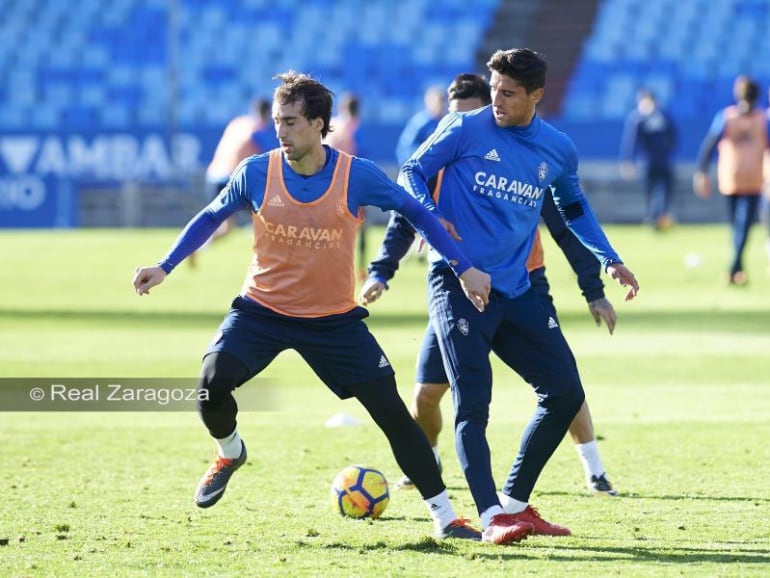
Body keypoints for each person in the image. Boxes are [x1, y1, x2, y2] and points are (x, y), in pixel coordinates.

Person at [132, 71, 536, 546]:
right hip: (262, 310)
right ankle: (230, 451)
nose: (280, 131)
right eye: (279, 121)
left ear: (319, 124)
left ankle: (445, 517)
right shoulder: (257, 172)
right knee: (209, 386)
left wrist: (463, 266)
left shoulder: (355, 175)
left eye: (292, 122)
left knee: (392, 414)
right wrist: (165, 266)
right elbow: (210, 217)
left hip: (332, 321)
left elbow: (418, 213)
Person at [391, 49, 639, 538]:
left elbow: (574, 208)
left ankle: (514, 502)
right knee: (472, 404)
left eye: (508, 92)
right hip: (458, 284)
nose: (496, 100)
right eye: (494, 87)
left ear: (536, 96)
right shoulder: (464, 129)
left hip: (517, 288)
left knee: (565, 391)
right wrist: (434, 221)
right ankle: (489, 518)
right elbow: (410, 173)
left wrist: (609, 257)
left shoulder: (557, 148)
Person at [694, 75, 770, 285]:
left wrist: (701, 173)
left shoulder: (742, 118)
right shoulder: (739, 118)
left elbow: (707, 146)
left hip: (743, 180)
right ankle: (738, 269)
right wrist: (701, 172)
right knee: (738, 226)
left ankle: (733, 269)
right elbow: (709, 146)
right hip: (738, 180)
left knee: (742, 225)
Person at [189, 98, 278, 267]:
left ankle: (198, 248)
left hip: (215, 175)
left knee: (228, 227)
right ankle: (267, 262)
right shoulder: (258, 129)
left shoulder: (238, 123)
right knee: (266, 220)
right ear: (268, 114)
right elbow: (273, 153)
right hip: (234, 179)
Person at [619, 88, 678, 230]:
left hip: (663, 161)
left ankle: (663, 217)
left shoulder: (663, 116)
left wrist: (667, 150)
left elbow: (673, 136)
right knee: (650, 192)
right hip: (646, 162)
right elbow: (631, 142)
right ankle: (653, 218)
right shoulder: (637, 119)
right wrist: (628, 161)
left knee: (665, 191)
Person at [324, 92, 369, 279]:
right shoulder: (355, 128)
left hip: (326, 182)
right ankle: (359, 269)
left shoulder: (331, 125)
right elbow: (361, 156)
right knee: (360, 227)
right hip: (350, 183)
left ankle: (326, 265)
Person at [395, 85, 448, 165]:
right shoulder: (421, 123)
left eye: (444, 102)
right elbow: (405, 149)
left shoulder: (449, 122)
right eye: (439, 102)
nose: (442, 106)